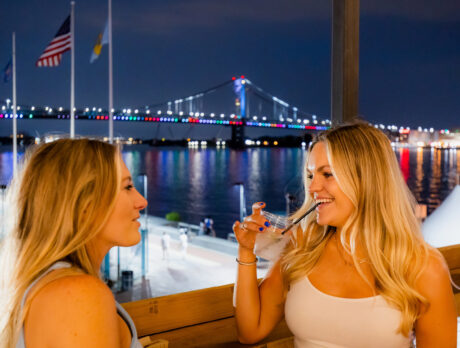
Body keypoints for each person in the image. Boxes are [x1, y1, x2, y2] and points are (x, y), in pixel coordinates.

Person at [233, 122, 457, 347]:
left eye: (327, 174)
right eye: (311, 176)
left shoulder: (424, 268)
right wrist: (245, 251)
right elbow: (250, 331)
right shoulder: (302, 246)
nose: (312, 188)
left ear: (366, 180)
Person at [0, 138, 148, 348]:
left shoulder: (53, 285)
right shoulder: (78, 296)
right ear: (84, 205)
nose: (142, 201)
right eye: (128, 187)